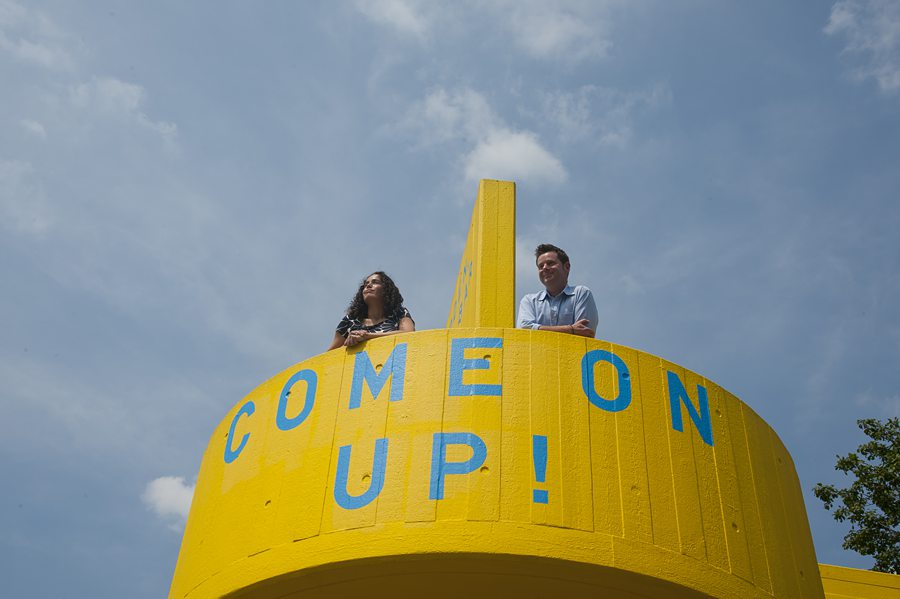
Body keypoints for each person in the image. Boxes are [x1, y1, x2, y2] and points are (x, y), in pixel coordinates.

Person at [517, 243, 598, 337]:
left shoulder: (581, 293)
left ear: (566, 267)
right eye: (540, 266)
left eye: (550, 263)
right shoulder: (529, 301)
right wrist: (570, 329)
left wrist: (537, 329)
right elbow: (523, 332)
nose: (545, 268)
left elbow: (585, 335)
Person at [328, 271, 415, 350]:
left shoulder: (399, 313)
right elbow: (329, 353)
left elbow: (408, 333)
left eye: (375, 282)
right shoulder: (350, 320)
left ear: (386, 289)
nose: (368, 286)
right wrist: (348, 343)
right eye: (366, 285)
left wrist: (367, 336)